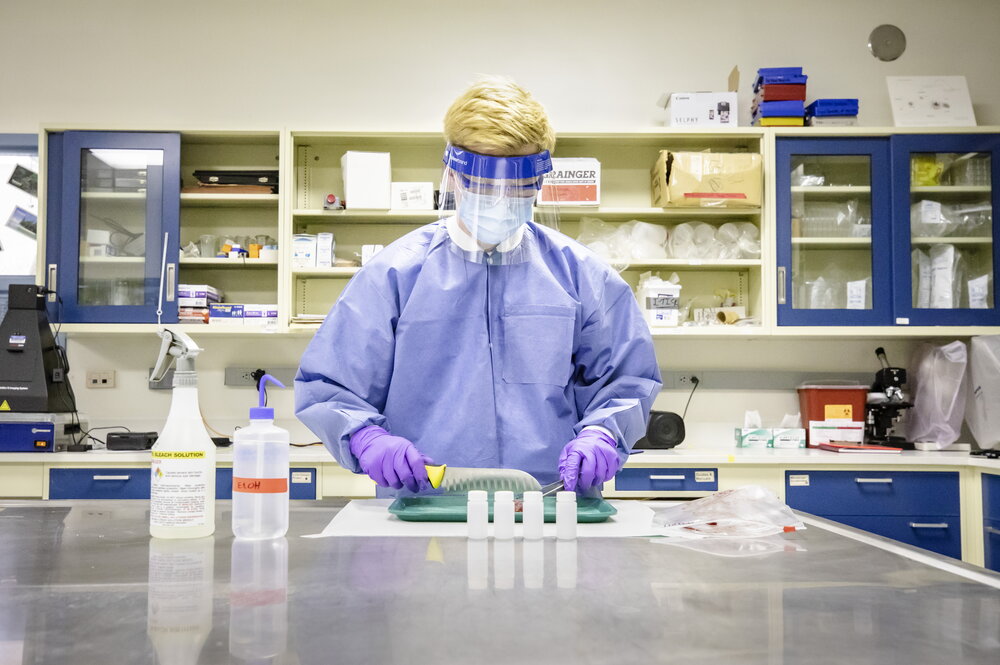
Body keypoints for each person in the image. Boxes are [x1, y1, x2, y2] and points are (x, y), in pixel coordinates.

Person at [295, 77, 661, 495]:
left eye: (516, 186)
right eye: (485, 185)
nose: (500, 199)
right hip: (425, 507)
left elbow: (626, 382)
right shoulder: (394, 276)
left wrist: (602, 434)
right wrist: (366, 438)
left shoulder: (582, 277)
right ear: (453, 174)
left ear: (540, 181)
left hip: (549, 504)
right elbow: (330, 385)